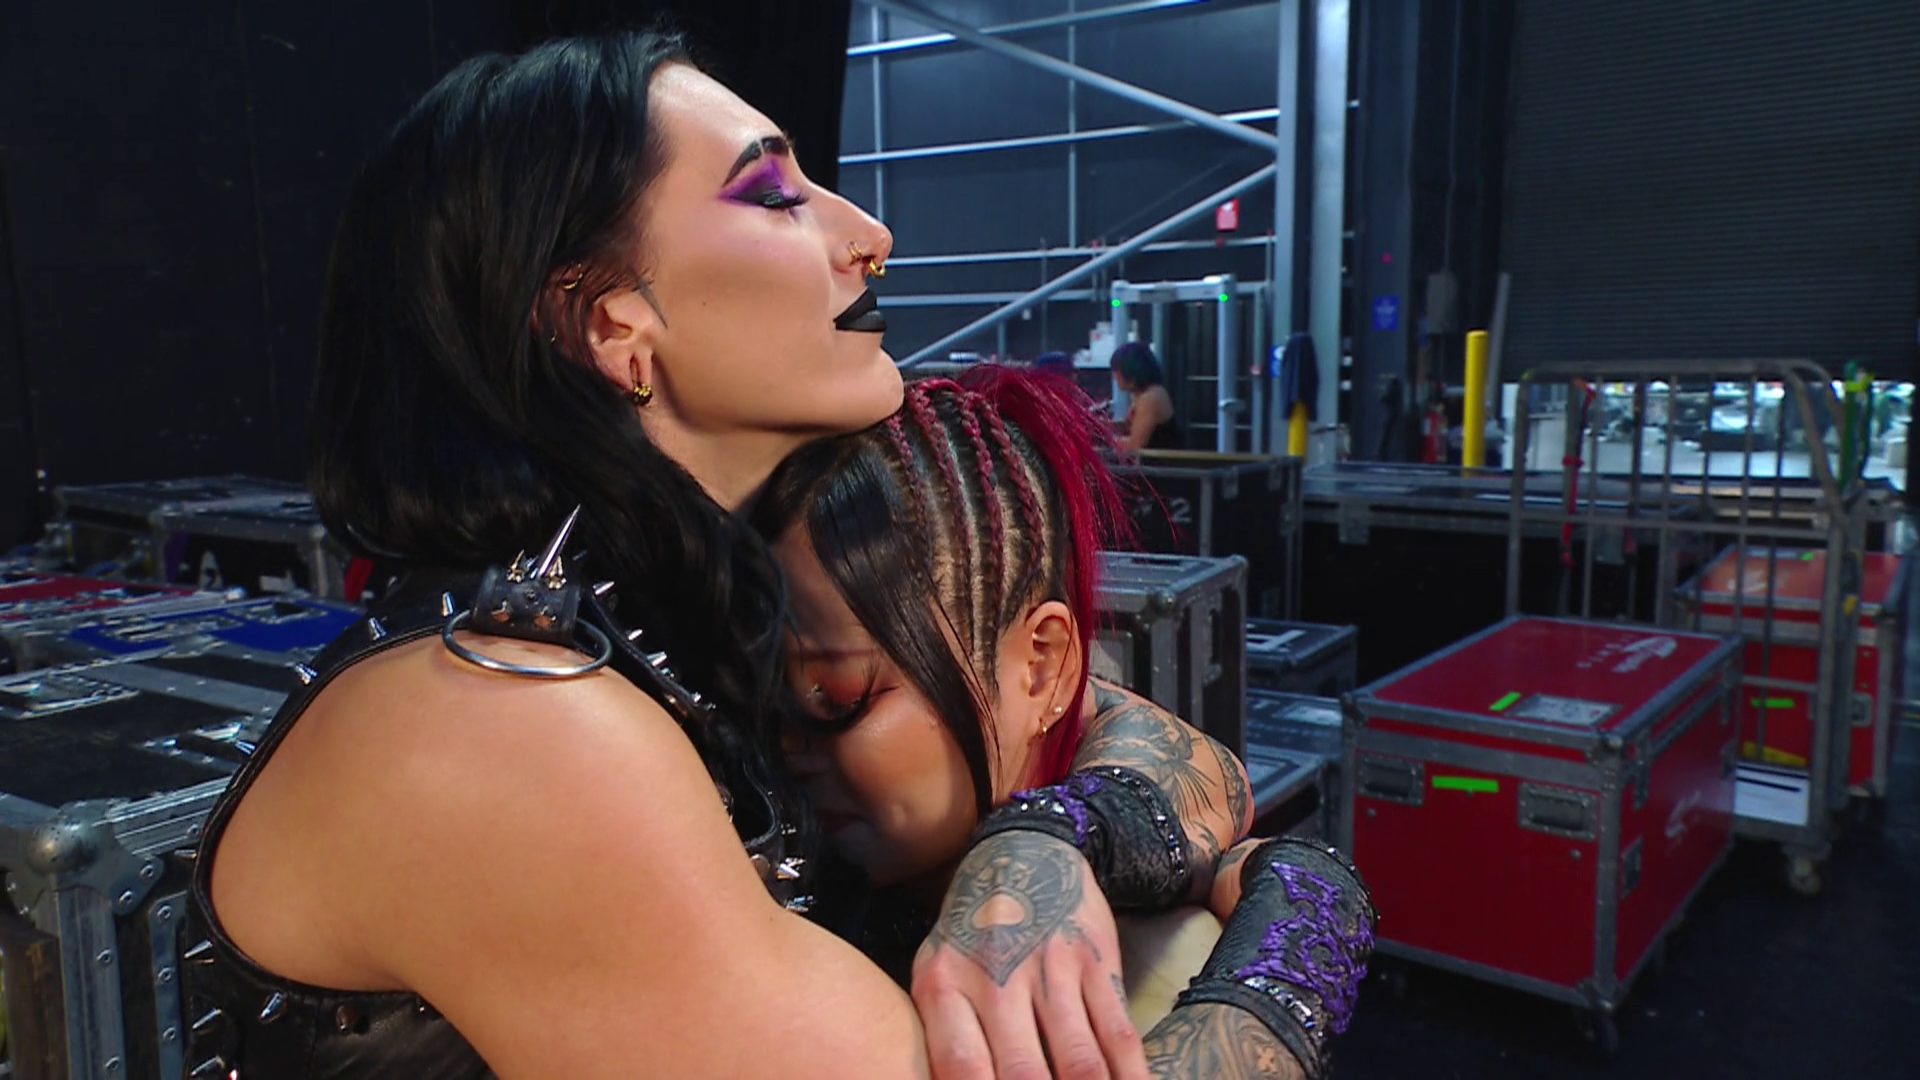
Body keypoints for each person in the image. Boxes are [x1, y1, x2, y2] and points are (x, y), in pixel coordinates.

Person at [179, 30, 1371, 1080]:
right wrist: (1305, 931)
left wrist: (1039, 840)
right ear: (610, 323)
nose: (870, 236)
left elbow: (1123, 725)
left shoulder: (641, 603)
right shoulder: (508, 727)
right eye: (772, 193)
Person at [1110, 341, 1181, 454]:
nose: (1114, 376)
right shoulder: (1138, 394)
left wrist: (1107, 439)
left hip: (1162, 462)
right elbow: (1131, 425)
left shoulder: (1151, 397)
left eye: (1117, 371)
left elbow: (1135, 444)